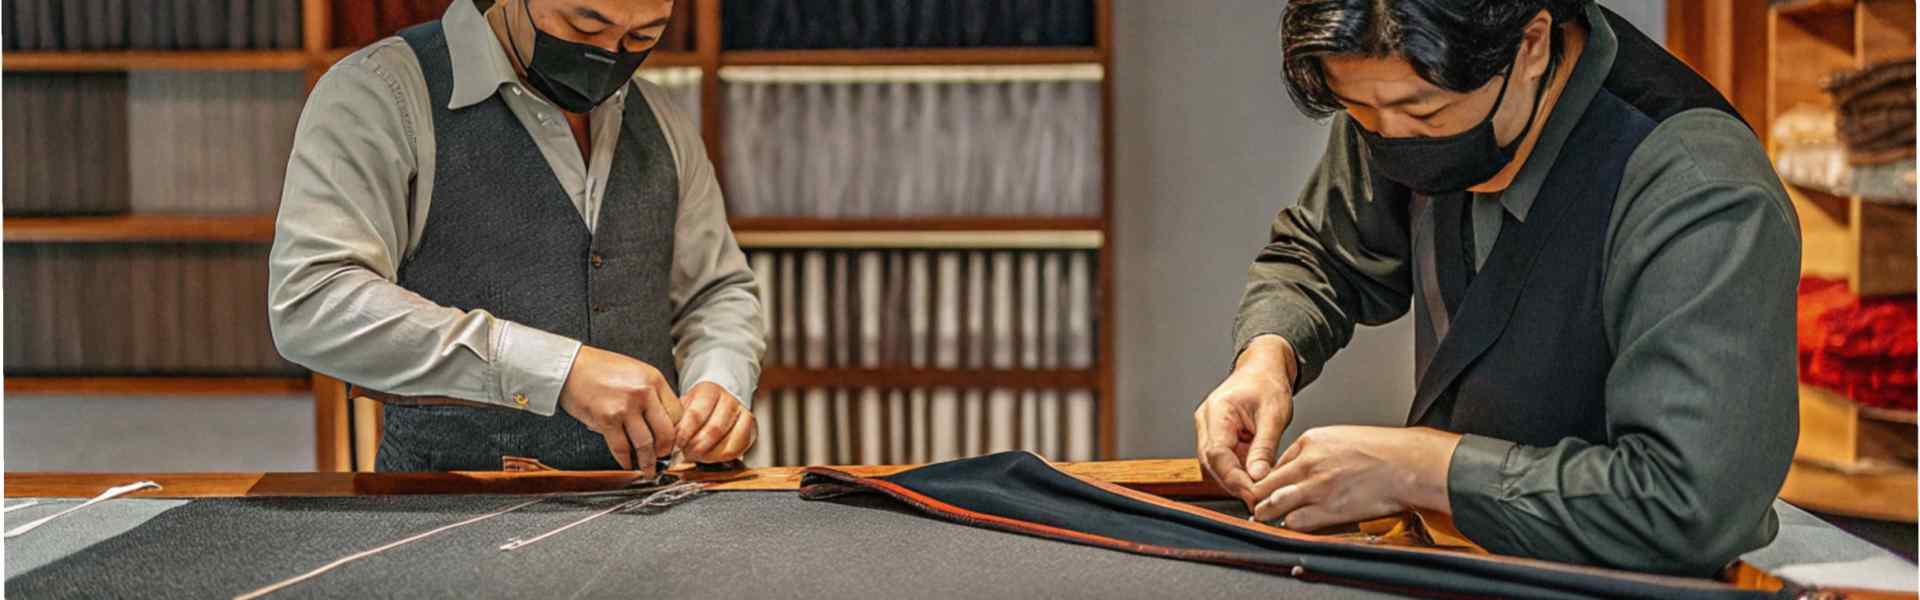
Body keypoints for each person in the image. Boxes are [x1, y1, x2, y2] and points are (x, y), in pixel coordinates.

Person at [1195, 0, 1799, 576]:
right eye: (1361, 113)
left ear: (1531, 44)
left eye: (1425, 114)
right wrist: (1267, 360)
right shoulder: (1400, 94)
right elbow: (1325, 252)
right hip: (1468, 558)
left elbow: (1684, 506)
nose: (1392, 138)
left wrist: (1416, 466)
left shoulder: (1701, 190)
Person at [269, 0, 764, 475]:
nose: (611, 55)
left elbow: (715, 291)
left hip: (644, 507)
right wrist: (556, 370)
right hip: (439, 517)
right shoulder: (381, 93)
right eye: (585, 28)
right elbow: (312, 300)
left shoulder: (661, 115)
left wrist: (720, 384)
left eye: (642, 36)